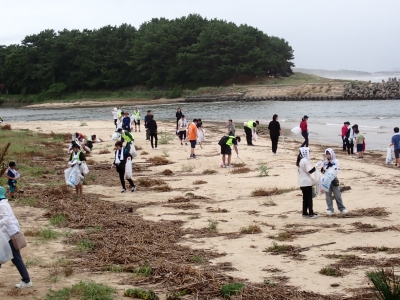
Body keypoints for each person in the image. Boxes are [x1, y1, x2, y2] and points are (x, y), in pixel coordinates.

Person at [0, 186, 32, 288]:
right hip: (7, 234)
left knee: (16, 258)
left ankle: (27, 281)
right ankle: (26, 280)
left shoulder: (2, 205)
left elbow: (7, 220)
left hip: (10, 235)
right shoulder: (3, 204)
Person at [320, 148, 348, 215]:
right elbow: (323, 172)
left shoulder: (336, 161)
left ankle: (342, 208)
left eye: (329, 154)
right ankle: (330, 209)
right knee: (328, 195)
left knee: (337, 195)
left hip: (334, 179)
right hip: (326, 181)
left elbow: (337, 169)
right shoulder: (325, 162)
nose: (328, 156)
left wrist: (331, 165)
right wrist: (323, 169)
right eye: (327, 154)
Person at [297, 147, 318, 219]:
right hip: (306, 182)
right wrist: (316, 166)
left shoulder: (299, 161)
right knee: (309, 198)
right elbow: (309, 171)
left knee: (305, 198)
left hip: (301, 183)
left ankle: (304, 213)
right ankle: (311, 213)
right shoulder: (305, 161)